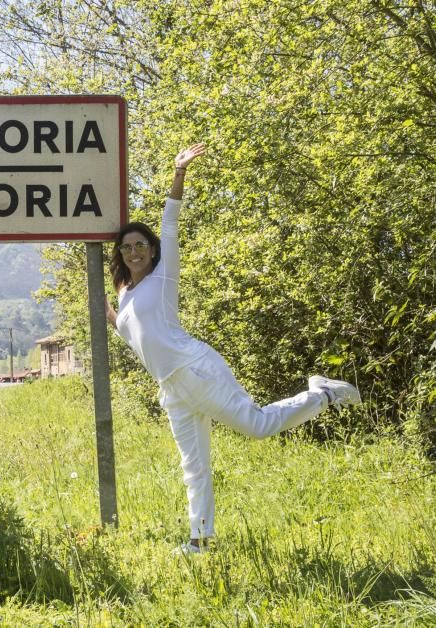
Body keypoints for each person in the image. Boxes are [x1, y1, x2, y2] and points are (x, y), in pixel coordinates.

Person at [106, 143, 361, 554]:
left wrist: (179, 173)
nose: (133, 251)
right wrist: (104, 310)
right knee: (194, 467)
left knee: (257, 426)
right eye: (126, 247)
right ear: (120, 255)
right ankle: (200, 540)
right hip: (171, 390)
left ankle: (323, 393)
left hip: (197, 370)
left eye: (140, 245)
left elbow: (169, 224)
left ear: (151, 250)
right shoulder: (125, 295)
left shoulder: (163, 277)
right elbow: (132, 335)